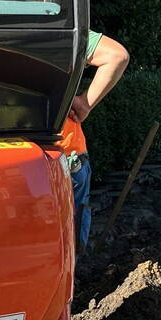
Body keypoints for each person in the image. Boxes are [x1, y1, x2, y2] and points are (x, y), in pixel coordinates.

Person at [60, 31, 130, 251]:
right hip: (64, 150)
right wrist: (85, 104)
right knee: (69, 245)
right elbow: (116, 56)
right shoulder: (58, 27)